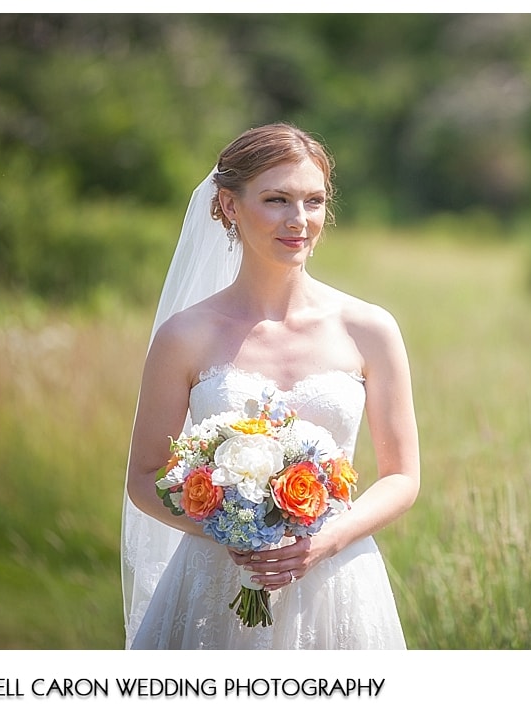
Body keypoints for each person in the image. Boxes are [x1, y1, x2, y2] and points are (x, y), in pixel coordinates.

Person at [120, 122, 419, 649]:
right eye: (277, 200)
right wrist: (231, 529)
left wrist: (323, 543)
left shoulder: (369, 328)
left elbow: (401, 477)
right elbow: (145, 478)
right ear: (229, 206)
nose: (298, 221)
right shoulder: (184, 336)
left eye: (313, 201)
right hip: (216, 579)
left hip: (337, 579)